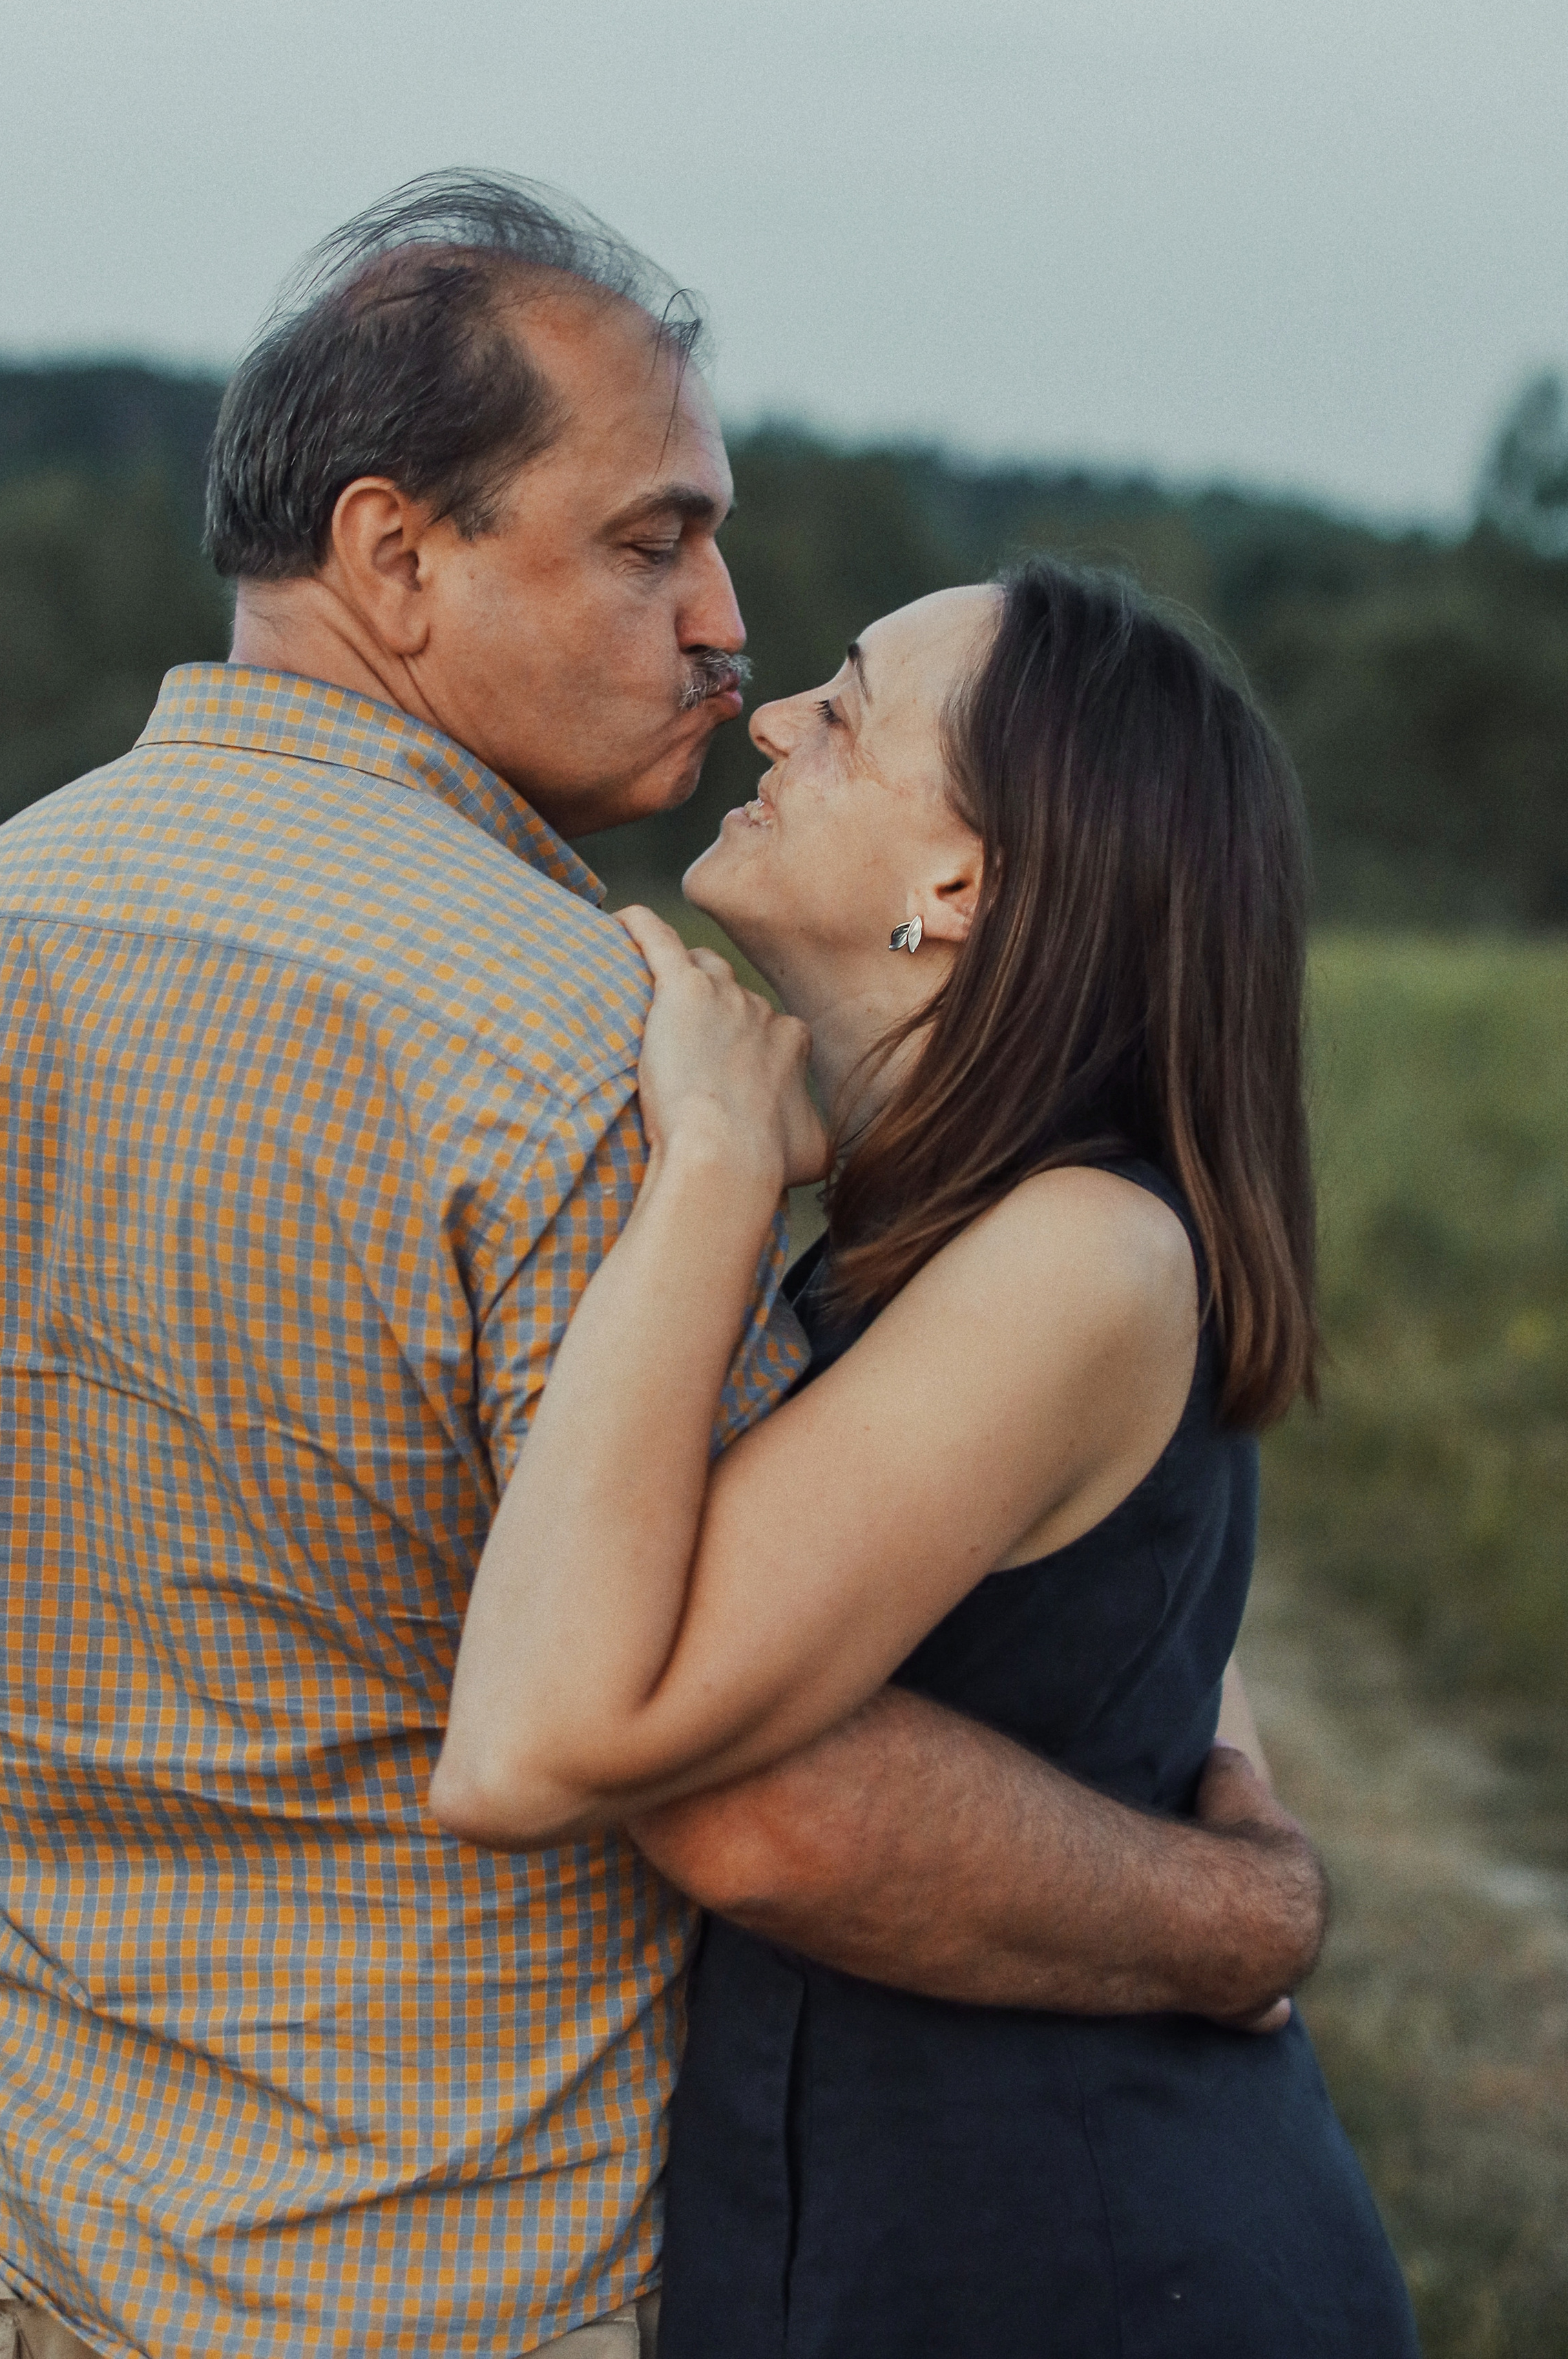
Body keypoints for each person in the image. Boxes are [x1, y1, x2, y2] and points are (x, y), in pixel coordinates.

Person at [0, 176, 1323, 2359]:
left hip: (37, 2255)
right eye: (650, 540)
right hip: (471, 2283)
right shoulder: (579, 1044)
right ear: (394, 556)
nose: (729, 632)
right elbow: (759, 1799)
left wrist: (9, 2151)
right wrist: (1236, 1917)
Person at [436, 564, 1420, 2355]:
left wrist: (720, 1164)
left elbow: (532, 1740)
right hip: (906, 2236)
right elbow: (1153, 1651)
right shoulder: (968, 1236)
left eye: (849, 704)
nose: (771, 715)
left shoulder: (1077, 1250)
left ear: (956, 888)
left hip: (1081, 2264)